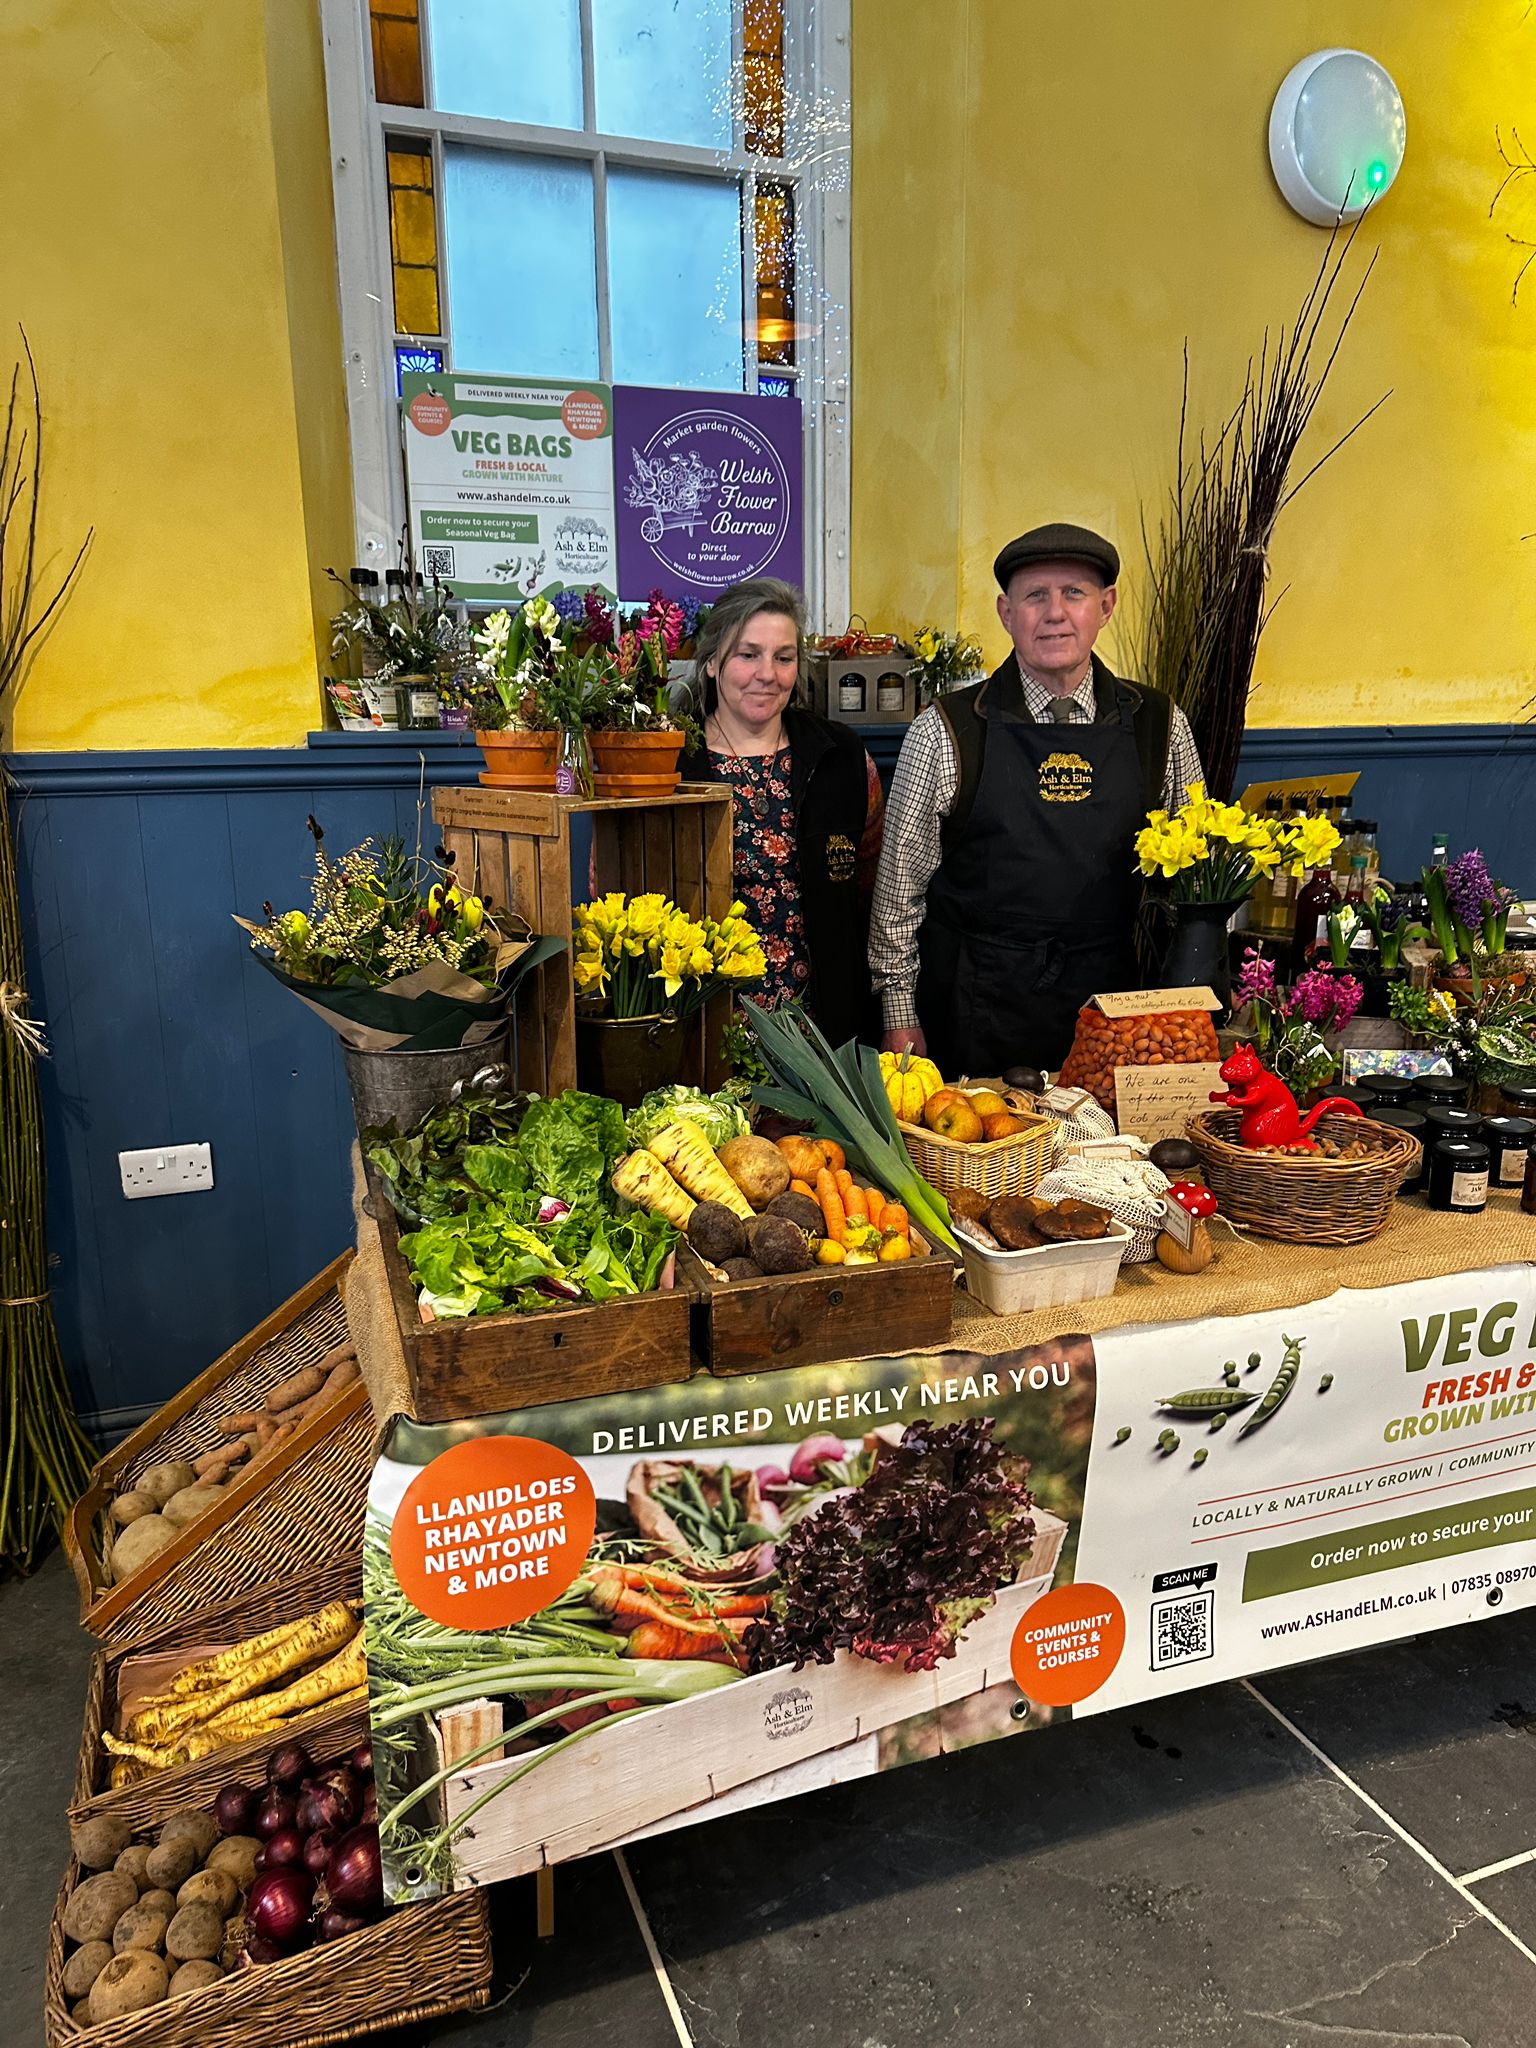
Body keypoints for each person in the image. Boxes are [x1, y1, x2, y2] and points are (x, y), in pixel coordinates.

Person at [869, 523, 1203, 1077]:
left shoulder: (1160, 727)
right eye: (1035, 596)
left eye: (1074, 593)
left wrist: (1183, 1010)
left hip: (1117, 1015)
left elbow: (1193, 881)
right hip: (976, 1007)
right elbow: (899, 895)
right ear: (1006, 613)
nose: (1055, 612)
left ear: (1106, 606)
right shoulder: (945, 731)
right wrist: (899, 1013)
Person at [682, 578, 884, 1046]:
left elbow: (870, 883)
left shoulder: (843, 757)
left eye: (784, 657)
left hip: (820, 1026)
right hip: (700, 1025)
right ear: (712, 662)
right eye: (747, 654)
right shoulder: (671, 759)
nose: (767, 674)